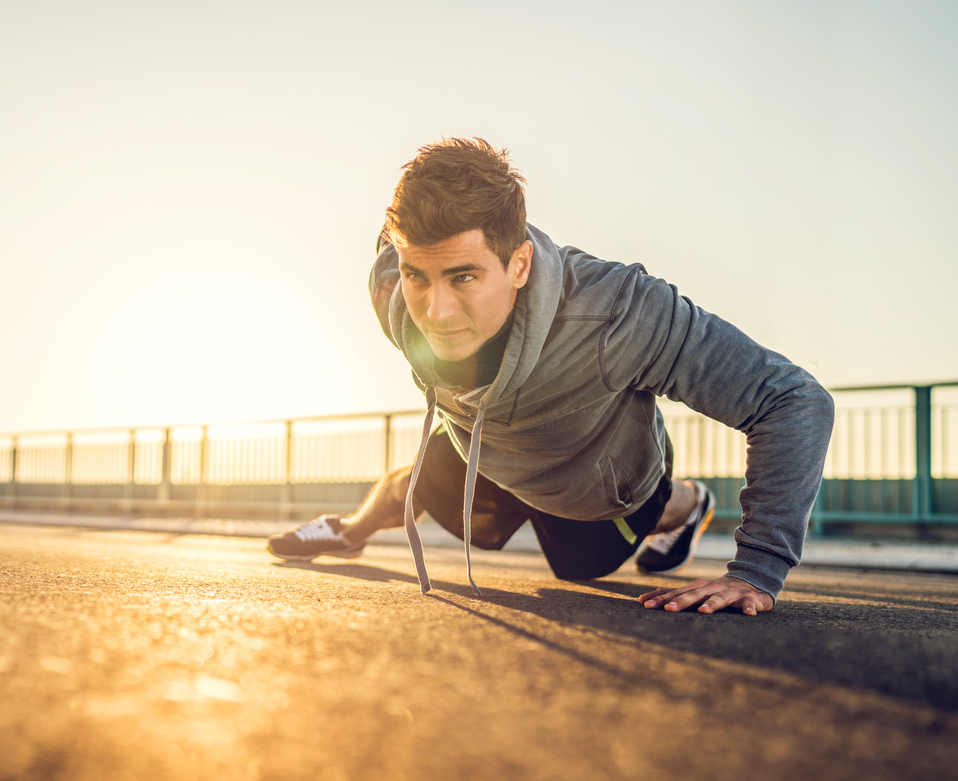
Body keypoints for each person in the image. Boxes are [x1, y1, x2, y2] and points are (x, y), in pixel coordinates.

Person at [268, 138, 834, 616]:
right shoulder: (393, 290)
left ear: (518, 264)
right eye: (420, 276)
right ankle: (346, 531)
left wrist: (758, 570)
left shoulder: (617, 314)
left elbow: (791, 399)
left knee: (578, 570)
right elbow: (399, 257)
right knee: (416, 480)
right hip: (488, 449)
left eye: (463, 278)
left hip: (596, 485)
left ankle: (686, 502)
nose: (436, 313)